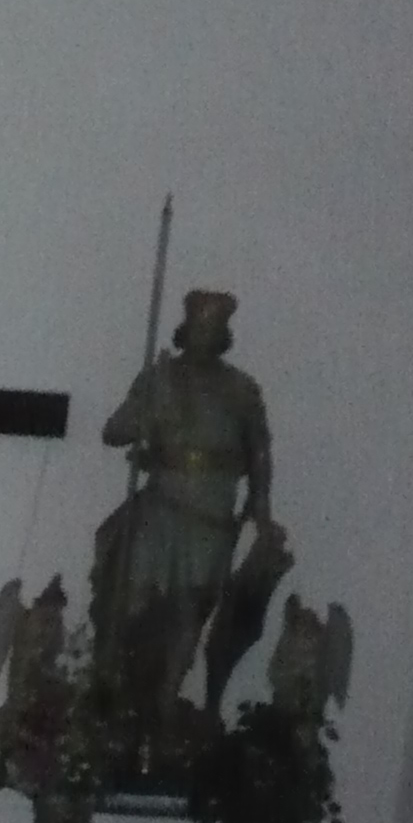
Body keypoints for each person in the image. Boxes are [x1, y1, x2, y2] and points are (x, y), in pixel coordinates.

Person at [89, 288, 280, 737]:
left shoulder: (242, 390)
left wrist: (261, 510)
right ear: (185, 329)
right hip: (163, 501)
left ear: (223, 335)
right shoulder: (160, 378)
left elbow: (260, 452)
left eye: (213, 328)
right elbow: (114, 432)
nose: (204, 335)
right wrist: (147, 409)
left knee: (191, 609)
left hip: (212, 512)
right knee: (133, 594)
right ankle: (111, 686)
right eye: (198, 326)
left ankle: (166, 699)